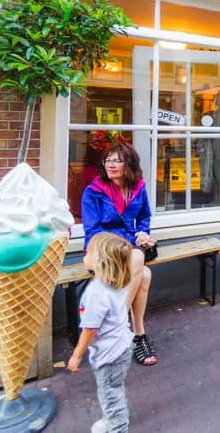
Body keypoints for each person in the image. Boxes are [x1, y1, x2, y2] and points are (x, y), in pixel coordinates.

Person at [81, 142, 157, 367]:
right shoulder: (93, 191)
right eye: (108, 160)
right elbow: (93, 231)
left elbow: (144, 217)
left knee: (144, 271)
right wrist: (124, 244)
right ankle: (128, 329)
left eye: (117, 160)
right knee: (141, 267)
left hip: (130, 247)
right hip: (102, 250)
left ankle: (131, 333)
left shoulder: (138, 188)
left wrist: (142, 233)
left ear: (129, 164)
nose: (110, 165)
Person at [67, 232, 134, 433]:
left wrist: (77, 355)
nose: (84, 255)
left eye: (88, 252)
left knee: (110, 394)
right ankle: (110, 420)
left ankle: (117, 427)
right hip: (122, 347)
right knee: (114, 389)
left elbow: (90, 329)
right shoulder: (117, 282)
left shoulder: (96, 293)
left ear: (100, 261)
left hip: (109, 355)